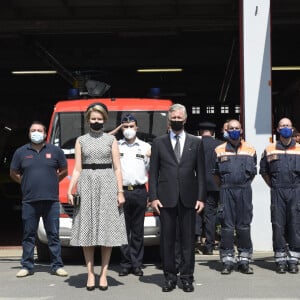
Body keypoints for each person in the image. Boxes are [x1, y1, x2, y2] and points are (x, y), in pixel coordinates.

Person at [67, 102, 127, 291]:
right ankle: (90, 274)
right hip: (86, 184)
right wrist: (70, 189)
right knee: (88, 230)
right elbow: (77, 168)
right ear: (88, 120)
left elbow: (117, 168)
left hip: (107, 183)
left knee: (106, 230)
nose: (96, 121)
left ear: (105, 120)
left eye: (100, 119)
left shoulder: (111, 140)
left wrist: (120, 191)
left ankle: (104, 274)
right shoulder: (81, 140)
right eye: (93, 119)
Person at [149, 103, 206, 293]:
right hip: (165, 199)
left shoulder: (196, 142)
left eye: (179, 118)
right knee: (168, 240)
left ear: (185, 119)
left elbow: (202, 172)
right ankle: (170, 278)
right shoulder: (158, 143)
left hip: (189, 198)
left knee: (188, 240)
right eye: (173, 118)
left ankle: (187, 277)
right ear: (169, 119)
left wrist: (201, 197)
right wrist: (153, 197)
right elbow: (153, 173)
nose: (176, 121)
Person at [10, 121, 68, 278]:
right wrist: (25, 181)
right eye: (33, 130)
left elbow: (64, 170)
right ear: (29, 134)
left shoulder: (55, 151)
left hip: (51, 201)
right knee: (28, 235)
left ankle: (57, 265)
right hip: (29, 200)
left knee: (53, 235)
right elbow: (13, 172)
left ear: (44, 133)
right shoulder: (21, 152)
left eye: (39, 130)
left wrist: (53, 179)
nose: (36, 132)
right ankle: (27, 266)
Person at [213, 119, 257, 275]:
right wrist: (226, 187)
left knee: (244, 226)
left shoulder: (251, 149)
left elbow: (252, 174)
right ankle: (227, 260)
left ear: (241, 130)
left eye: (236, 128)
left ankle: (244, 260)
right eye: (231, 128)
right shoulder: (219, 150)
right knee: (227, 227)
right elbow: (216, 175)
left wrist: (242, 185)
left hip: (244, 190)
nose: (234, 131)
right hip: (226, 190)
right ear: (226, 130)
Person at [260, 117, 300, 274]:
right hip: (277, 190)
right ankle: (280, 259)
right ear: (277, 129)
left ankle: (294, 259)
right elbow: (264, 170)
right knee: (278, 225)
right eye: (282, 125)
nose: (285, 128)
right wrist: (273, 185)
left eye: (288, 126)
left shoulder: (299, 148)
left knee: (295, 225)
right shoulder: (269, 149)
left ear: (292, 129)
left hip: (295, 190)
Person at [117, 114, 151, 277]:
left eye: (131, 126)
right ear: (121, 128)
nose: (128, 129)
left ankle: (137, 264)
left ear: (137, 128)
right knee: (122, 231)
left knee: (137, 230)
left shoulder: (145, 147)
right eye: (125, 126)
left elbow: (152, 170)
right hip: (121, 192)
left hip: (139, 191)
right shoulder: (115, 146)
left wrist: (151, 193)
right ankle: (125, 264)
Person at [197, 121, 223, 255]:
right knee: (210, 214)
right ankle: (209, 245)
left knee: (195, 212)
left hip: (197, 184)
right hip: (214, 184)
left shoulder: (194, 143)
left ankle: (193, 242)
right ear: (213, 132)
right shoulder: (219, 145)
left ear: (200, 132)